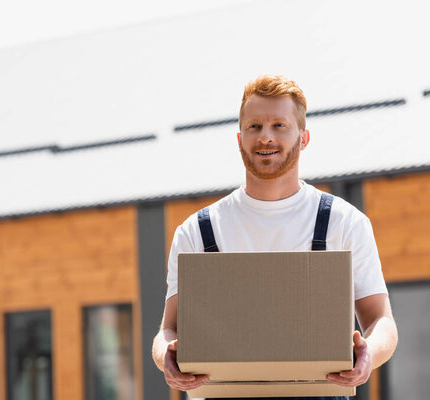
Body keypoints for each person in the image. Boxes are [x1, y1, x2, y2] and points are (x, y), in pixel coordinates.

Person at [152, 74, 398, 400]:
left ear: (304, 137)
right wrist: (164, 356)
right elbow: (168, 330)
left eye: (279, 125)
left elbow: (381, 320)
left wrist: (369, 353)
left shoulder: (345, 223)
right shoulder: (197, 231)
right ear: (240, 138)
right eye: (254, 126)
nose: (265, 137)